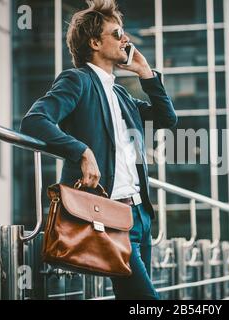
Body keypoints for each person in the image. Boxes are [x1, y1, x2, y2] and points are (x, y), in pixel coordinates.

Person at [20, 0, 177, 300]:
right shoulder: (77, 80)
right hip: (109, 214)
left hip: (141, 215)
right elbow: (35, 120)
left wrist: (145, 72)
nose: (125, 40)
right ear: (94, 42)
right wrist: (80, 151)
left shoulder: (120, 94)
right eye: (117, 34)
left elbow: (167, 119)